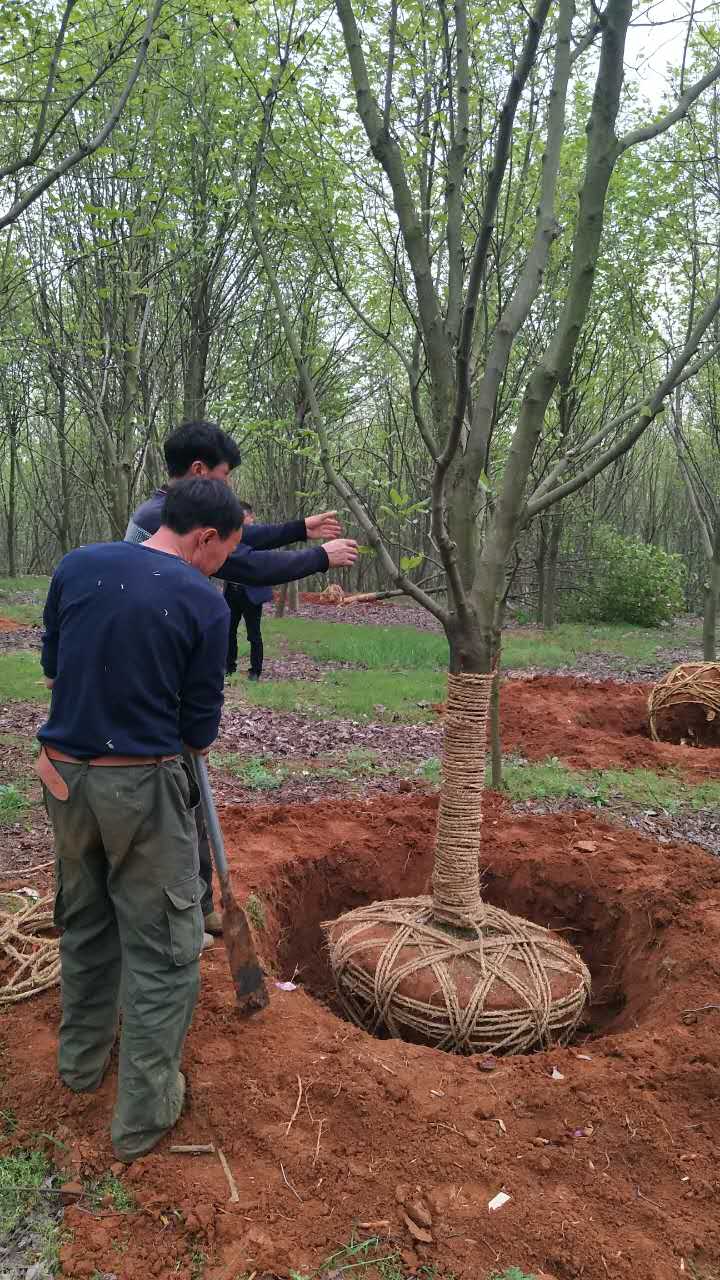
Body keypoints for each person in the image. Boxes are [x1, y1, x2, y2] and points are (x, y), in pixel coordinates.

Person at [36, 478, 243, 1163]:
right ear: (205, 538)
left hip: (61, 777)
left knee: (88, 922)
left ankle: (80, 1067)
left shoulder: (76, 565)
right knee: (164, 953)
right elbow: (198, 734)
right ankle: (144, 1117)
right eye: (226, 552)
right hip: (140, 790)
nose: (223, 567)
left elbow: (52, 668)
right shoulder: (202, 604)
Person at [126, 420, 358, 940]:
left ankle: (199, 904)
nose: (228, 491)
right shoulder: (163, 523)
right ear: (200, 471)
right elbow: (247, 561)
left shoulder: (171, 513)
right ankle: (191, 910)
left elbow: (243, 536)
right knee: (177, 800)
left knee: (183, 797)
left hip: (163, 676)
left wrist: (301, 527)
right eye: (226, 478)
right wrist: (322, 556)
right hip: (160, 682)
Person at [224, 502, 271, 680]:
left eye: (244, 518)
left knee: (254, 634)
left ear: (251, 517)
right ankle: (228, 667)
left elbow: (266, 563)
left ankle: (255, 670)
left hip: (252, 593)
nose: (241, 522)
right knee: (229, 631)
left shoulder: (261, 537)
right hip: (231, 591)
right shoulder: (230, 536)